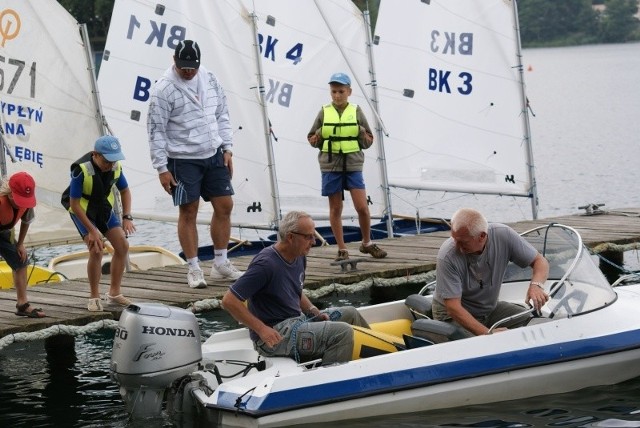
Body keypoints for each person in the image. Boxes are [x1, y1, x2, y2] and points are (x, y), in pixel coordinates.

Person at [147, 39, 243, 289]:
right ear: (174, 61)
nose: (188, 71)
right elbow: (156, 130)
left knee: (225, 204)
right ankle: (193, 267)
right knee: (188, 211)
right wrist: (162, 168)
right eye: (183, 67)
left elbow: (222, 112)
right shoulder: (163, 89)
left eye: (192, 67)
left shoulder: (210, 78)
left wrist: (228, 148)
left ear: (199, 63)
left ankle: (220, 263)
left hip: (213, 152)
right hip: (181, 158)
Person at [222, 211, 370, 364]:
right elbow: (229, 300)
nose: (313, 242)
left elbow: (295, 290)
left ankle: (381, 361)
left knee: (351, 313)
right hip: (277, 335)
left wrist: (312, 310)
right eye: (308, 237)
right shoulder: (265, 265)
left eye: (313, 236)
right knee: (342, 332)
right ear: (291, 237)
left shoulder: (299, 255)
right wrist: (262, 329)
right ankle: (332, 380)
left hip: (297, 320)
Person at [307, 72, 387, 262]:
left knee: (362, 207)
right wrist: (319, 135)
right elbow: (311, 138)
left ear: (349, 91)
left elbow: (368, 140)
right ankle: (342, 249)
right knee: (336, 208)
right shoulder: (324, 112)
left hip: (353, 164)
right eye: (334, 91)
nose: (337, 95)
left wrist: (359, 132)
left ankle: (366, 243)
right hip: (330, 165)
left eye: (341, 91)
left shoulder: (357, 111)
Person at [432, 208, 550, 337]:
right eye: (454, 239)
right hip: (452, 314)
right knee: (479, 345)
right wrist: (487, 333)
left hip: (488, 309)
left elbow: (540, 261)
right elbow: (453, 308)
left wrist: (536, 285)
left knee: (530, 321)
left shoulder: (504, 235)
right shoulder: (447, 256)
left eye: (463, 242)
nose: (457, 246)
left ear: (482, 236)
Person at [61, 135, 135, 312]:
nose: (111, 164)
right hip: (82, 209)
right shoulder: (81, 170)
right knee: (96, 248)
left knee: (122, 245)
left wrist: (127, 216)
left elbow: (125, 191)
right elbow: (74, 204)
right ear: (95, 155)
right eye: (107, 160)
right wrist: (91, 230)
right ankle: (94, 297)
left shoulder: (116, 166)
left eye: (114, 159)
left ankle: (114, 293)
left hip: (102, 206)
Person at [0, 172, 46, 318]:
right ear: (11, 194)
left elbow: (26, 221)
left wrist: (20, 244)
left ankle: (22, 304)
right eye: (19, 199)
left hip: (4, 233)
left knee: (20, 259)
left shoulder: (27, 202)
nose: (24, 203)